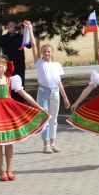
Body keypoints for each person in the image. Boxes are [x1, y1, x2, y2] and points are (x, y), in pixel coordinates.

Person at [28, 23, 70, 154]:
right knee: (45, 117)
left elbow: (59, 82)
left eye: (48, 51)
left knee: (54, 118)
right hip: (43, 91)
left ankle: (53, 143)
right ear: (41, 53)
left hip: (55, 91)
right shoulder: (39, 63)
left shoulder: (57, 65)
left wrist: (65, 97)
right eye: (44, 51)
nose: (46, 53)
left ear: (52, 53)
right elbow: (33, 45)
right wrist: (30, 29)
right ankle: (46, 144)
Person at [0, 21, 28, 96]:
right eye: (11, 26)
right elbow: (2, 44)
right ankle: (10, 99)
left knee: (20, 82)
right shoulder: (3, 37)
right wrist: (9, 33)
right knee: (9, 82)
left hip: (19, 62)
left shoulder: (20, 36)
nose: (13, 28)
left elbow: (29, 45)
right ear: (7, 27)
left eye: (15, 26)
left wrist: (23, 34)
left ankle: (20, 99)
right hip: (8, 63)